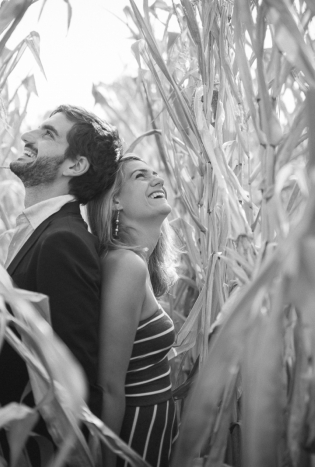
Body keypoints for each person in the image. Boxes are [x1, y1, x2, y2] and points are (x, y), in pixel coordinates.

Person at [0, 105, 121, 463]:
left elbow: (73, 377)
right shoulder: (38, 233)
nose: (27, 136)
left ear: (75, 166)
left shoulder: (64, 240)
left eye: (47, 134)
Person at [86, 155, 179, 467]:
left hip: (153, 431)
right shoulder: (125, 265)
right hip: (135, 436)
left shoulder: (136, 263)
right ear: (115, 202)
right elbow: (110, 386)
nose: (158, 179)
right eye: (141, 176)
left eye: (155, 173)